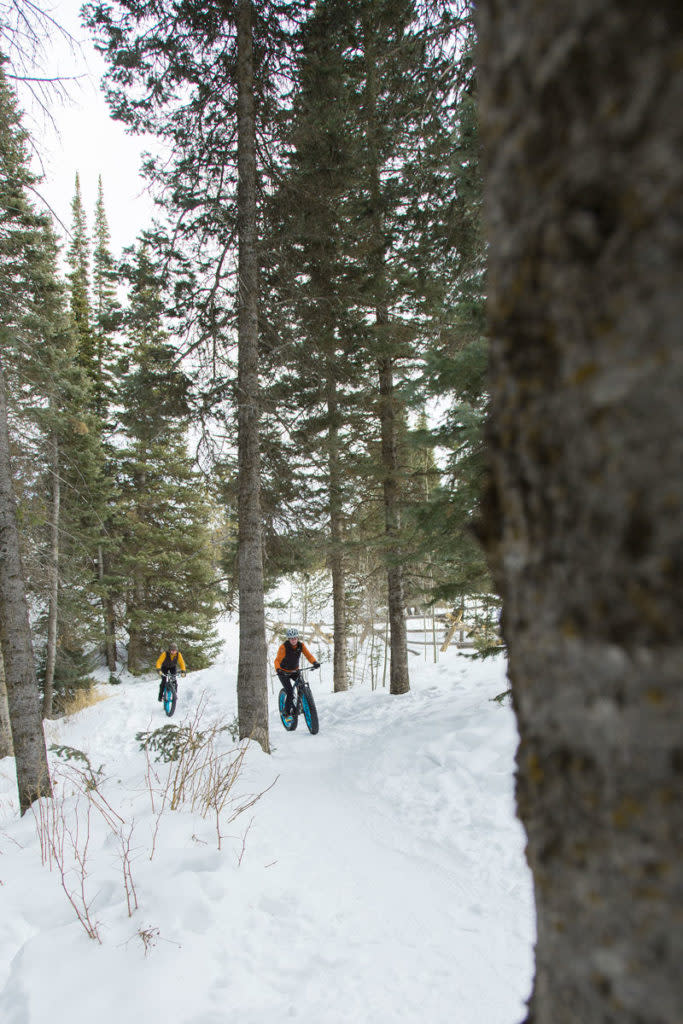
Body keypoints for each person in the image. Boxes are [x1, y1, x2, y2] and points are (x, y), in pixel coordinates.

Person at [274, 627, 320, 716]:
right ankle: (286, 712)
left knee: (302, 685)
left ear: (297, 638)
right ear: (289, 639)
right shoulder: (283, 647)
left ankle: (303, 704)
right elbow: (277, 661)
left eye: (295, 638)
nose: (293, 640)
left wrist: (315, 662)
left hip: (295, 671)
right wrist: (278, 669)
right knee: (290, 692)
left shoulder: (301, 645)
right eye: (291, 638)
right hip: (284, 673)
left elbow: (309, 655)